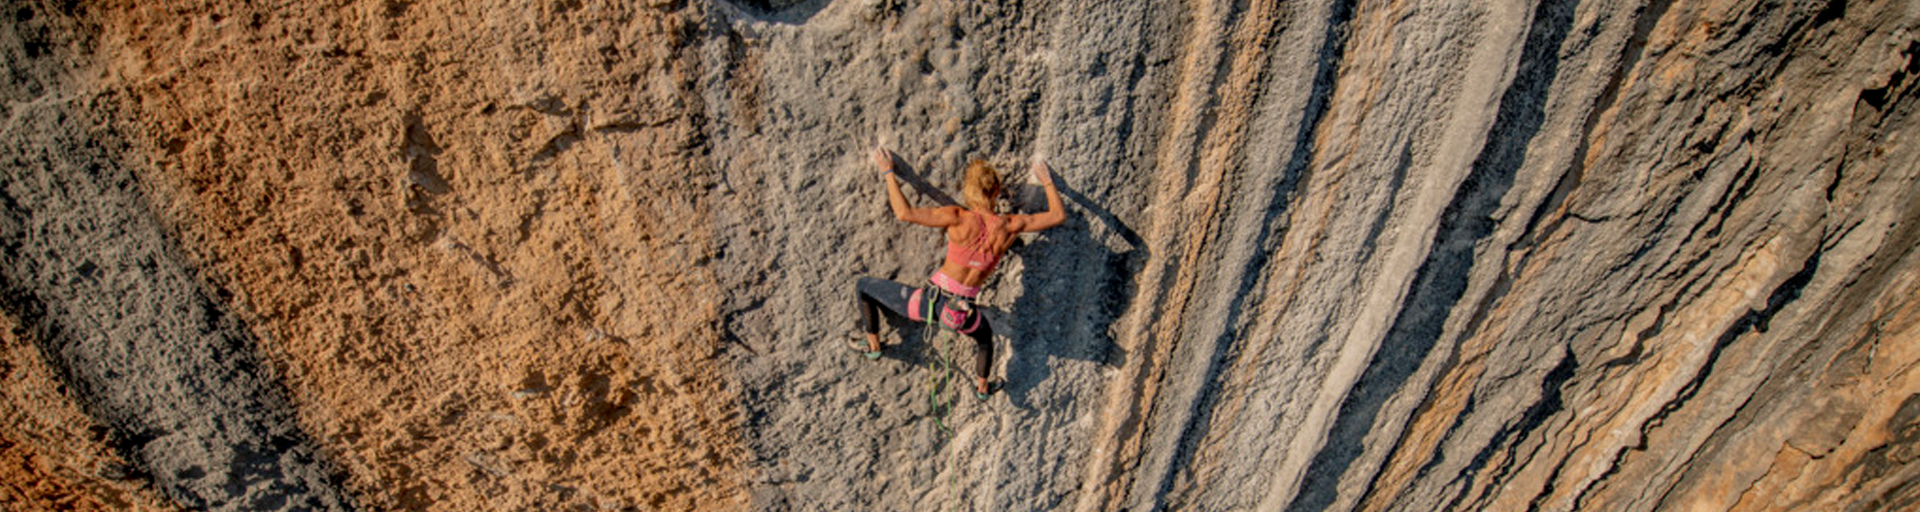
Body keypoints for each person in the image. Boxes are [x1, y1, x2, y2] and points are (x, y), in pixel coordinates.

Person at [853, 146, 1065, 399]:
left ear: (969, 191)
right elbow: (1057, 215)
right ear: (996, 191)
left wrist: (888, 171)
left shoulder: (957, 217)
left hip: (927, 304)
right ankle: (982, 388)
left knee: (864, 286)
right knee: (984, 338)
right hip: (962, 312)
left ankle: (874, 346)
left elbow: (904, 213)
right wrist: (1048, 182)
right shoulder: (1009, 226)